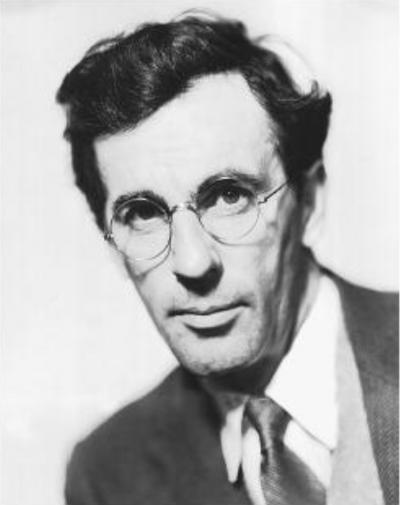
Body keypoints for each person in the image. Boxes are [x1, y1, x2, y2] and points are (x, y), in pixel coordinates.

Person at [57, 12, 398, 505]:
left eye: (229, 196)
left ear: (310, 202)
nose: (193, 263)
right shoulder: (108, 476)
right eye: (143, 214)